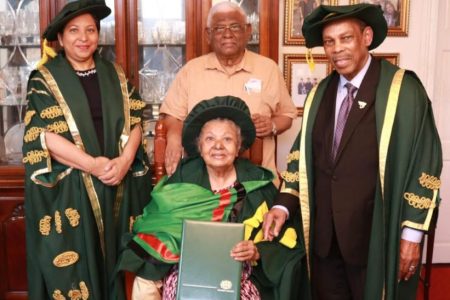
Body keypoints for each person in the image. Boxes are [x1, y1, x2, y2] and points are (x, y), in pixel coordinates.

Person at [262, 4, 442, 300]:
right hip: (324, 238)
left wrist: (412, 235)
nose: (337, 49)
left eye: (346, 38)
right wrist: (282, 206)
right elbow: (300, 158)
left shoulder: (402, 91)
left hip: (374, 237)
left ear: (367, 37)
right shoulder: (319, 93)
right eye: (329, 42)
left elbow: (425, 164)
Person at [117, 96, 307, 300]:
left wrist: (257, 251)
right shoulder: (182, 179)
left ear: (239, 146)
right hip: (185, 271)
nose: (218, 146)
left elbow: (288, 241)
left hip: (240, 275)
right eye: (210, 139)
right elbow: (154, 227)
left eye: (227, 139)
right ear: (199, 146)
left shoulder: (258, 183)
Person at [22, 1, 151, 299]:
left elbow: (136, 122)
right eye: (74, 31)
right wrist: (93, 165)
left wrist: (124, 161)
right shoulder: (45, 78)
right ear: (62, 38)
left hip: (117, 182)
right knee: (80, 268)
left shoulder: (114, 73)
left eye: (90, 30)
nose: (83, 37)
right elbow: (42, 136)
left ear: (98, 35)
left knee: (118, 264)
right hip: (74, 186)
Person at [160, 2, 296, 187]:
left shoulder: (268, 69)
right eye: (219, 28)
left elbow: (287, 115)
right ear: (208, 34)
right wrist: (174, 138)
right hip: (201, 184)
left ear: (248, 30)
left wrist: (272, 125)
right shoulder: (191, 70)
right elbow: (172, 116)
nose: (227, 34)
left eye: (234, 27)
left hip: (258, 183)